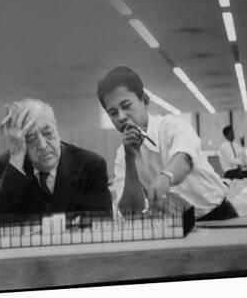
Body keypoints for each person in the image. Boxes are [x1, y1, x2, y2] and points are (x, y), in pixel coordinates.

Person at [97, 66, 237, 221]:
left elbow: (184, 158)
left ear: (144, 100)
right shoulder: (122, 154)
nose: (121, 117)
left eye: (126, 106)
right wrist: (130, 159)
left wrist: (166, 177)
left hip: (218, 216)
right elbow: (131, 211)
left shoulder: (172, 126)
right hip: (177, 226)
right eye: (113, 113)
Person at [0, 98, 113, 217]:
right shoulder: (9, 165)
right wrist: (16, 158)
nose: (42, 145)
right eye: (31, 139)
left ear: (56, 128)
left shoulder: (90, 165)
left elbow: (101, 224)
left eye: (48, 133)